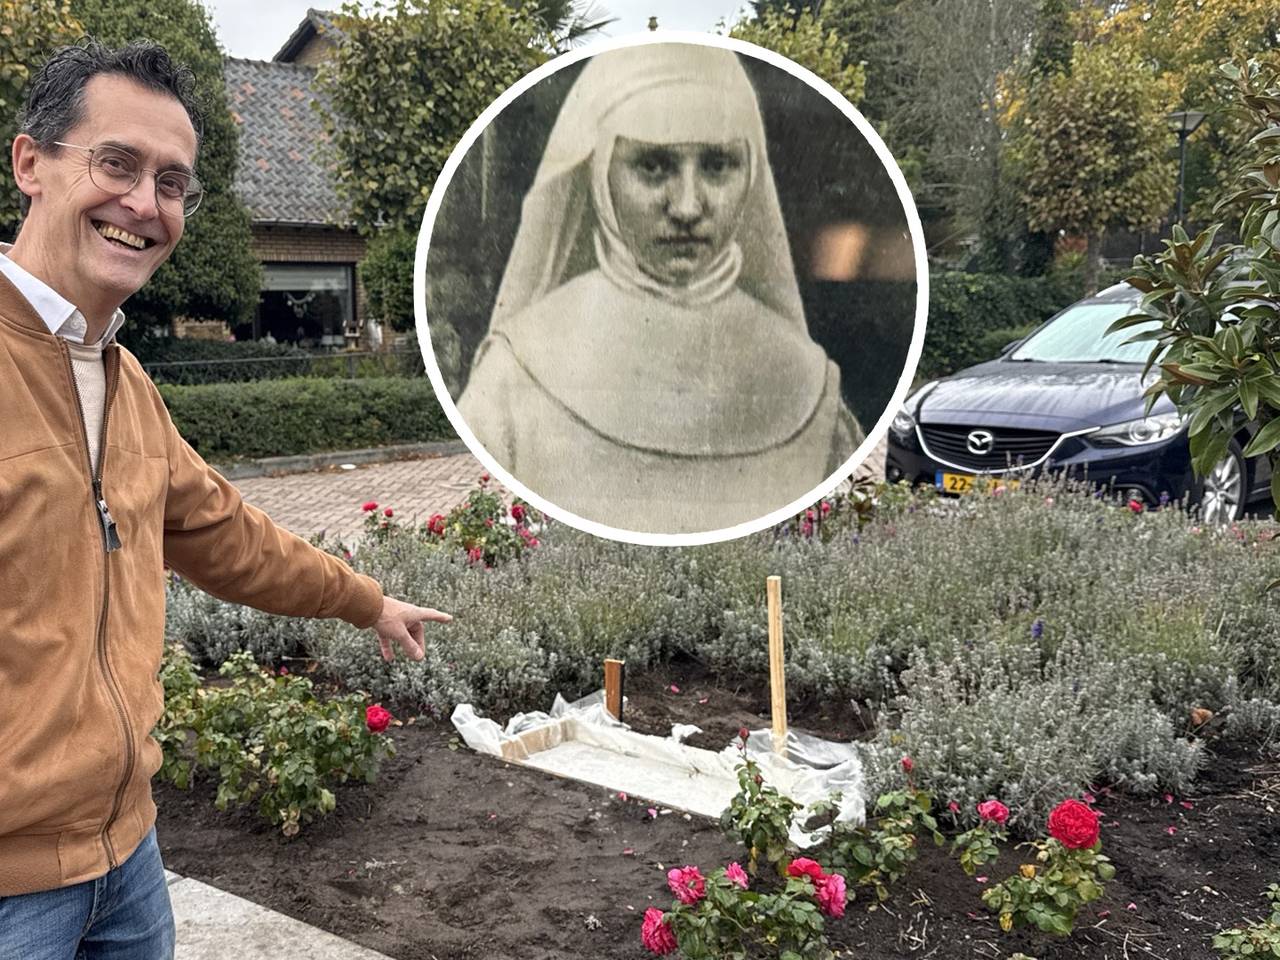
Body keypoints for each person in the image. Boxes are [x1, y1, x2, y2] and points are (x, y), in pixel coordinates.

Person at [0, 40, 449, 958]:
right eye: (117, 164)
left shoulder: (123, 382)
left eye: (172, 183)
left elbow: (227, 534)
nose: (144, 204)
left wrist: (365, 599)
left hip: (126, 863)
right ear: (31, 163)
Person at [455, 43, 863, 535]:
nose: (688, 207)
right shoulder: (513, 377)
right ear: (601, 173)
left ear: (751, 174)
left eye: (717, 165)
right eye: (653, 166)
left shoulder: (810, 381)